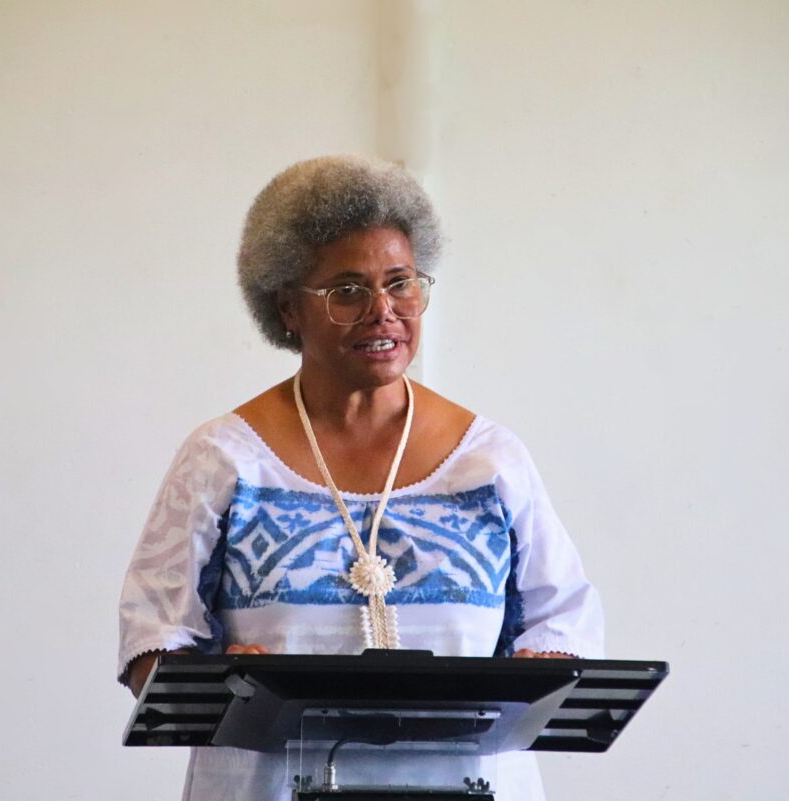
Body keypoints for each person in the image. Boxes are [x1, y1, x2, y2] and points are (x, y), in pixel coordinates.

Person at [117, 155, 604, 801]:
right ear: (288, 308)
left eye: (401, 283)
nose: (384, 311)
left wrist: (539, 671)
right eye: (347, 290)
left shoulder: (491, 460)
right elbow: (153, 635)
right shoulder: (224, 458)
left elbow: (563, 617)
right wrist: (215, 682)